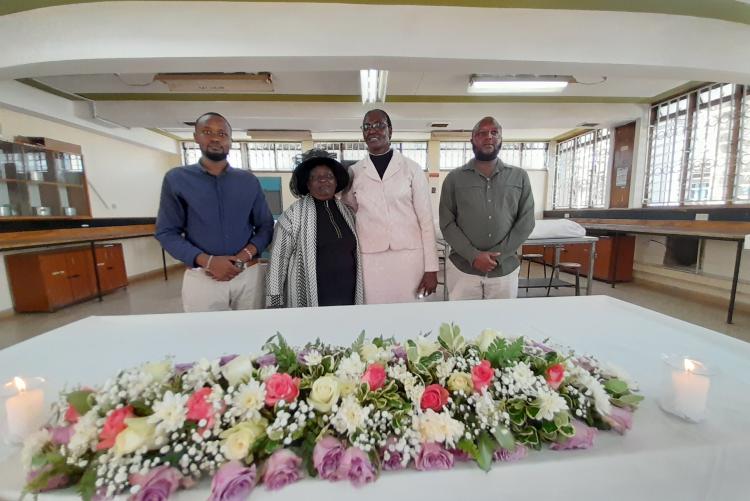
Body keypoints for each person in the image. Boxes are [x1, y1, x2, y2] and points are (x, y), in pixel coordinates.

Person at [155, 112, 274, 311]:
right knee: (205, 337)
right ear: (196, 137)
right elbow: (166, 232)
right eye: (207, 132)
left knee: (253, 334)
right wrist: (208, 261)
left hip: (246, 275)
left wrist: (244, 256)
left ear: (230, 140)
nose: (216, 138)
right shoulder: (177, 179)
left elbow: (265, 226)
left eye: (222, 133)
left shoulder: (247, 181)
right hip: (203, 276)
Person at [343, 109, 438, 304]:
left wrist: (431, 268)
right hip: (370, 258)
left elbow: (426, 221)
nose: (373, 131)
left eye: (379, 125)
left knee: (410, 314)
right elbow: (349, 212)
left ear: (390, 131)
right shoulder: (354, 172)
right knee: (375, 314)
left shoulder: (411, 169)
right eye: (367, 127)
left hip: (409, 257)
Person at [439, 116, 535, 300]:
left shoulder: (519, 177)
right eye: (482, 133)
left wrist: (497, 257)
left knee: (502, 325)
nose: (488, 137)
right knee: (461, 324)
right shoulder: (454, 178)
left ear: (501, 139)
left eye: (494, 133)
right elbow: (447, 222)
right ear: (472, 140)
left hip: (504, 269)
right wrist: (473, 256)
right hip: (463, 269)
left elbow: (526, 221)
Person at [265, 149, 363, 308]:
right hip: (311, 298)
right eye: (316, 177)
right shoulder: (292, 215)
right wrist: (274, 302)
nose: (323, 180)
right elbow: (278, 261)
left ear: (336, 181)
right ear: (307, 184)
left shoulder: (348, 213)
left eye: (329, 176)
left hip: (348, 295)